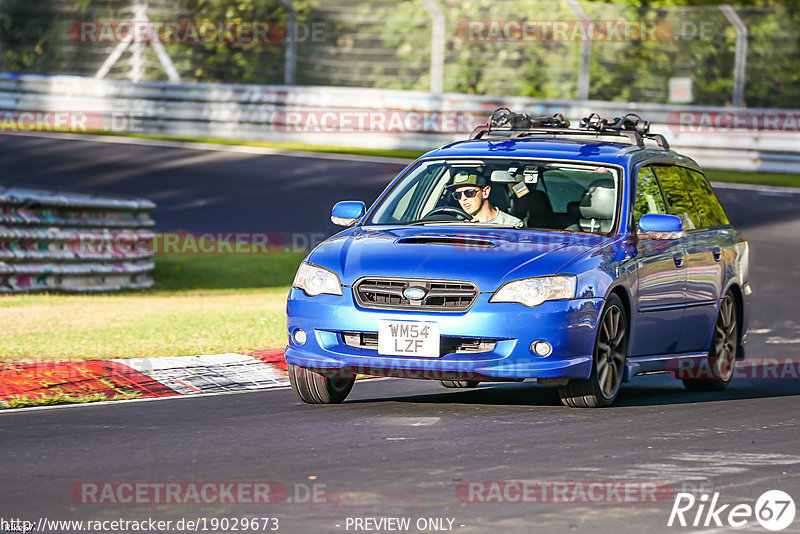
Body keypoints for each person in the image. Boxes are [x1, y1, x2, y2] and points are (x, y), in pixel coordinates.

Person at [446, 172, 523, 227]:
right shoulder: (457, 224)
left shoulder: (512, 224)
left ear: (485, 192)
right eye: (458, 195)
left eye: (469, 193)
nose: (463, 198)